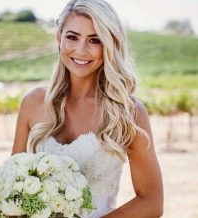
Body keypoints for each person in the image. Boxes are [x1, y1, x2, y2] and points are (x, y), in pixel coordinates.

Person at [11, 0, 163, 217]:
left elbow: (152, 201)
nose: (81, 50)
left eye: (94, 40)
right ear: (59, 38)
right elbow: (13, 186)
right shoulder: (32, 103)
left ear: (110, 44)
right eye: (72, 37)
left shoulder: (128, 112)